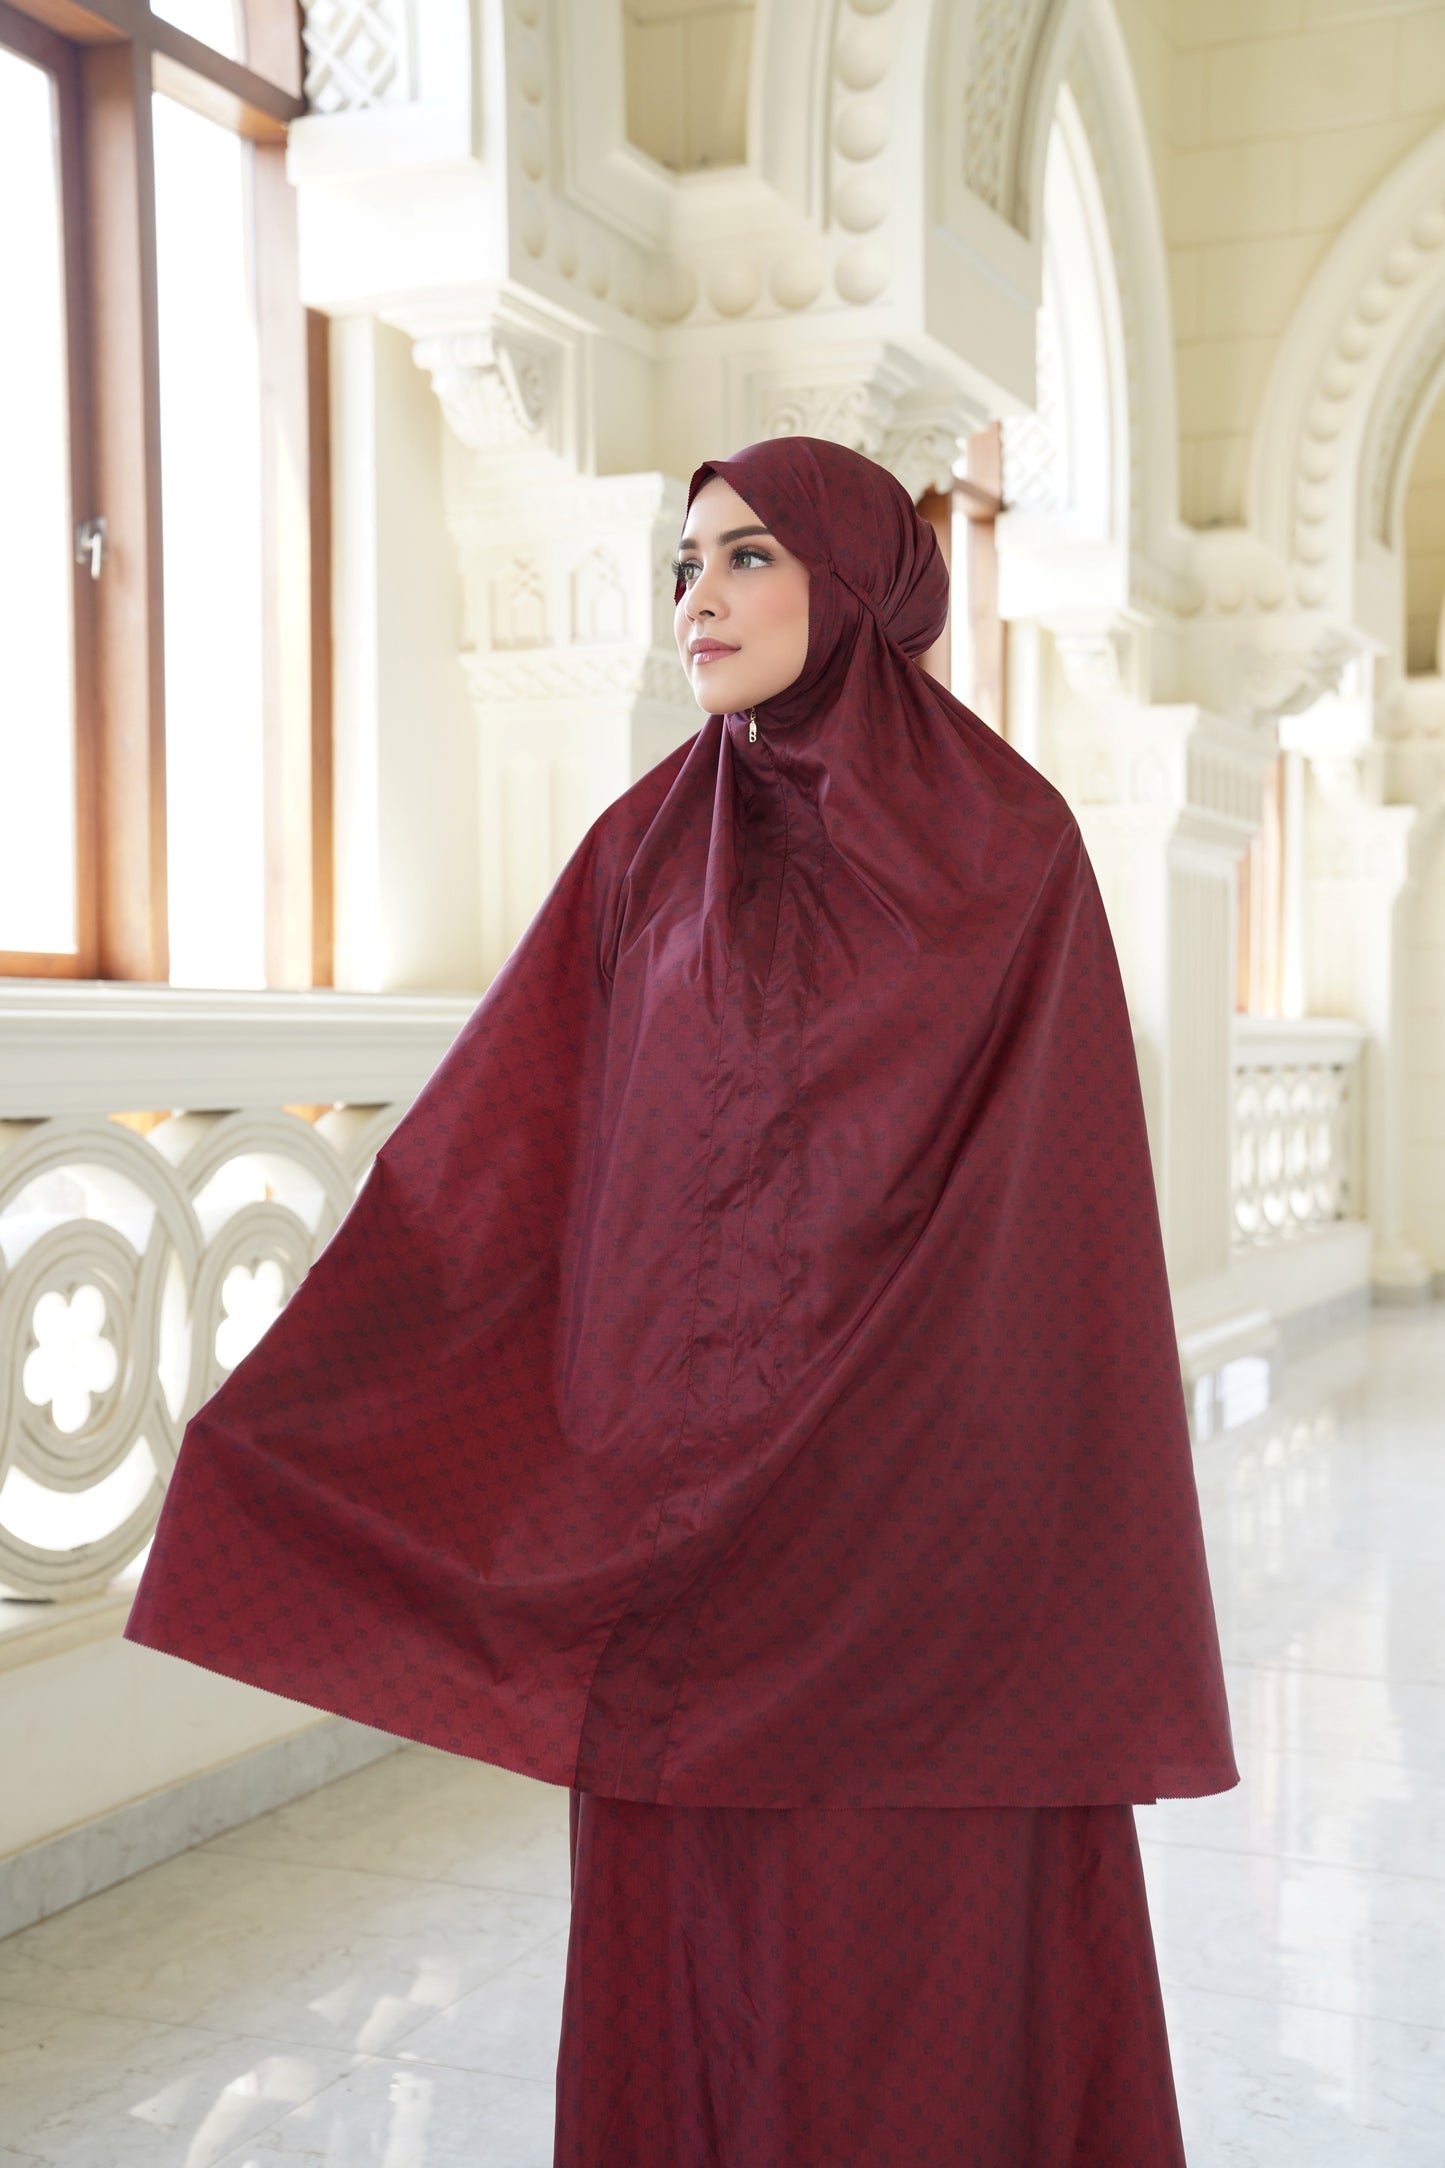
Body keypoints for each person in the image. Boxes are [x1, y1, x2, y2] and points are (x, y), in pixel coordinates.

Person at [124, 436, 1237, 2166]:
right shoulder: (645, 848)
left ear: (852, 585)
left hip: (923, 1533)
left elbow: (1056, 1207)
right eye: (684, 563)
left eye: (747, 557)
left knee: (905, 1940)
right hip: (687, 1531)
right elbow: (510, 1151)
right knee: (702, 1941)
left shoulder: (1010, 847)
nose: (696, 599)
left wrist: (879, 1447)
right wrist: (333, 1404)